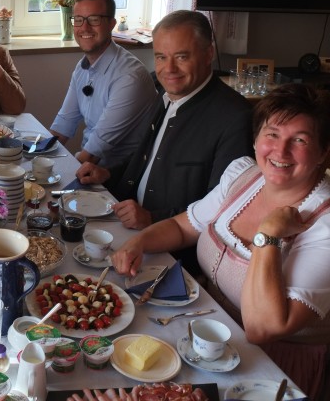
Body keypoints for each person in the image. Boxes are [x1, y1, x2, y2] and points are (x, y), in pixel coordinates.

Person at [111, 84, 330, 398]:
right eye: (272, 134)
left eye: (299, 140)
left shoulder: (324, 224)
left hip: (270, 370)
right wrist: (140, 242)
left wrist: (268, 234)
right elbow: (185, 227)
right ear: (255, 139)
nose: (280, 152)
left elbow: (262, 328)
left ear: (323, 152)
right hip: (202, 334)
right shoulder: (244, 176)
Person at [77, 10, 253, 230]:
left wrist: (152, 218)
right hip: (125, 219)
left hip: (171, 245)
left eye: (182, 57)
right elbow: (147, 155)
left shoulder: (234, 118)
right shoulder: (162, 90)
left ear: (208, 54)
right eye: (161, 57)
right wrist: (108, 173)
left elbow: (224, 205)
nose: (169, 69)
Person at [49, 0, 156, 167]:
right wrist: (35, 155)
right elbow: (64, 124)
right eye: (79, 20)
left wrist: (54, 172)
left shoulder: (129, 77)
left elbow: (93, 153)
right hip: (90, 167)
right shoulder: (82, 67)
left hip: (119, 177)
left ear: (112, 24)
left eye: (94, 19)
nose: (84, 28)